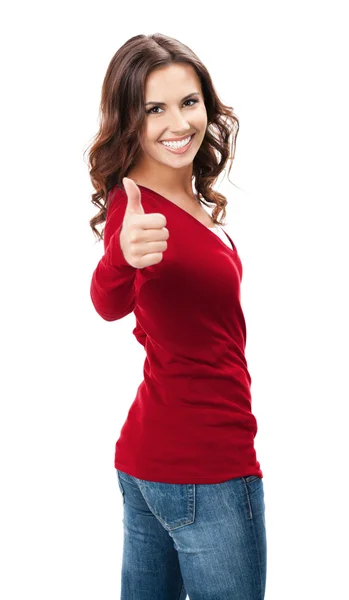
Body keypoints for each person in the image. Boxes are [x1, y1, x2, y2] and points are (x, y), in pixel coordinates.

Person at [88, 33, 267, 600]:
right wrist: (120, 255)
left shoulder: (185, 199)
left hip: (149, 459)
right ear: (128, 122)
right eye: (153, 109)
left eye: (188, 102)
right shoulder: (136, 210)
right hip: (206, 466)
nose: (177, 123)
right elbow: (107, 300)